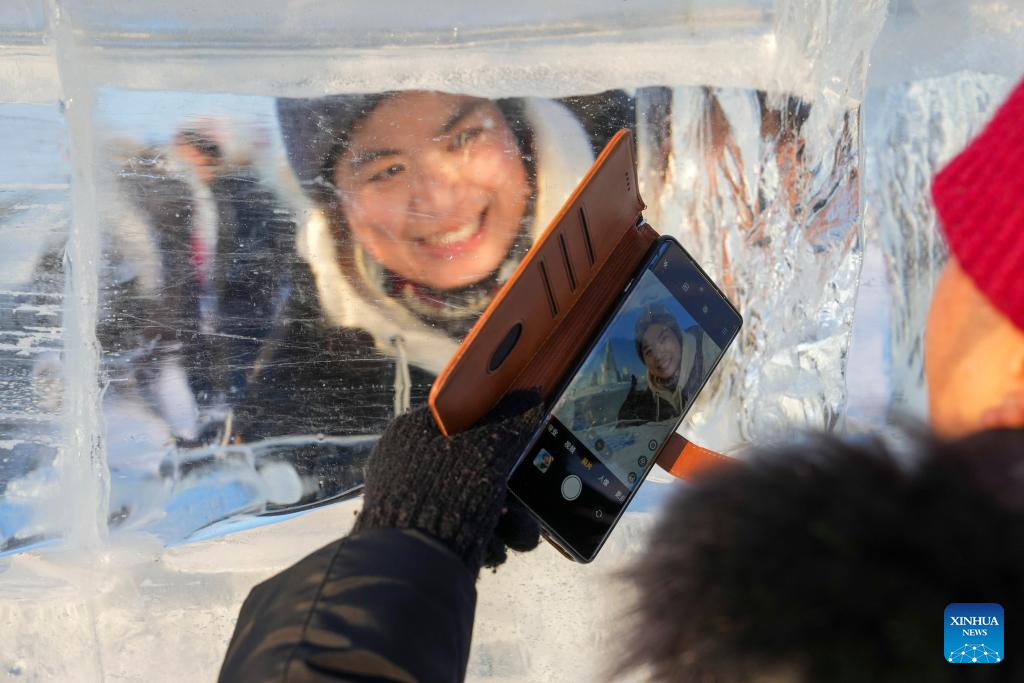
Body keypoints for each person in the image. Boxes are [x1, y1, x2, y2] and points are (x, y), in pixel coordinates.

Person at [617, 304, 719, 425]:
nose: (658, 355)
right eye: (649, 351)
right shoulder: (648, 400)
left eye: (663, 339)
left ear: (678, 337)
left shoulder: (709, 349)